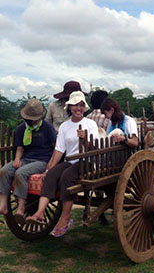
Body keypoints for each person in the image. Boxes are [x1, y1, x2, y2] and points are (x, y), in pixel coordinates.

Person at [26, 91, 99, 237]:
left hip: (87, 161)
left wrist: (85, 139)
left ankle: (65, 218)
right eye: (75, 105)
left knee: (66, 177)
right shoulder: (65, 126)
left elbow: (95, 149)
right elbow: (59, 150)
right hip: (71, 160)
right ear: (69, 107)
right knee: (52, 175)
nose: (78, 108)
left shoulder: (90, 124)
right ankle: (39, 212)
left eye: (81, 105)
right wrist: (48, 169)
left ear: (84, 108)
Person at [0, 99, 56, 224]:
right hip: (25, 159)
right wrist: (17, 159)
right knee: (4, 171)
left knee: (21, 173)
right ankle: (3, 206)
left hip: (42, 160)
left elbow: (56, 147)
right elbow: (19, 148)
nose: (33, 120)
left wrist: (51, 166)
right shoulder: (21, 128)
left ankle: (21, 207)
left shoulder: (47, 127)